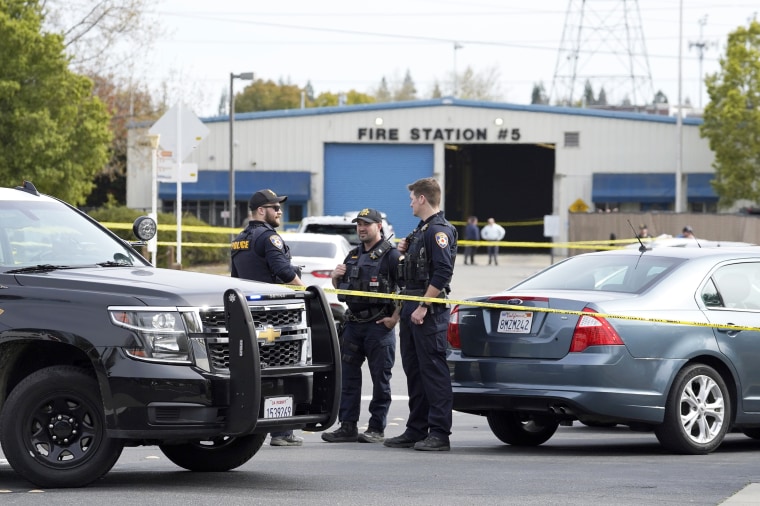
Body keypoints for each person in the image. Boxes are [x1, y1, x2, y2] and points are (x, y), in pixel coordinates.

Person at [384, 177, 457, 452]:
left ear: (423, 199)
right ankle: (416, 429)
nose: (411, 203)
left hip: (428, 312)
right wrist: (403, 251)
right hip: (412, 308)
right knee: (415, 373)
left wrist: (424, 306)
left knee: (433, 373)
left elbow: (442, 272)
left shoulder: (438, 230)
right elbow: (412, 272)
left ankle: (439, 434)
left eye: (413, 198)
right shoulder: (421, 231)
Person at [230, 188, 305, 447]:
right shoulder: (268, 238)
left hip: (250, 315)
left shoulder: (239, 239)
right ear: (261, 211)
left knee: (256, 372)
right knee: (283, 371)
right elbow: (282, 270)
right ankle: (282, 431)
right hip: (276, 314)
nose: (280, 211)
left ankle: (252, 426)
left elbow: (235, 278)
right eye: (275, 207)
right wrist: (304, 291)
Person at [322, 208, 402, 444]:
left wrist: (394, 319)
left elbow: (406, 291)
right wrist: (335, 278)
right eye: (358, 224)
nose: (361, 228)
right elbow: (343, 291)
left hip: (379, 326)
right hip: (354, 325)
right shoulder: (353, 255)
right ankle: (347, 426)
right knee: (348, 379)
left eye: (366, 223)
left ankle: (376, 428)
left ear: (379, 226)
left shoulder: (392, 256)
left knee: (381, 381)